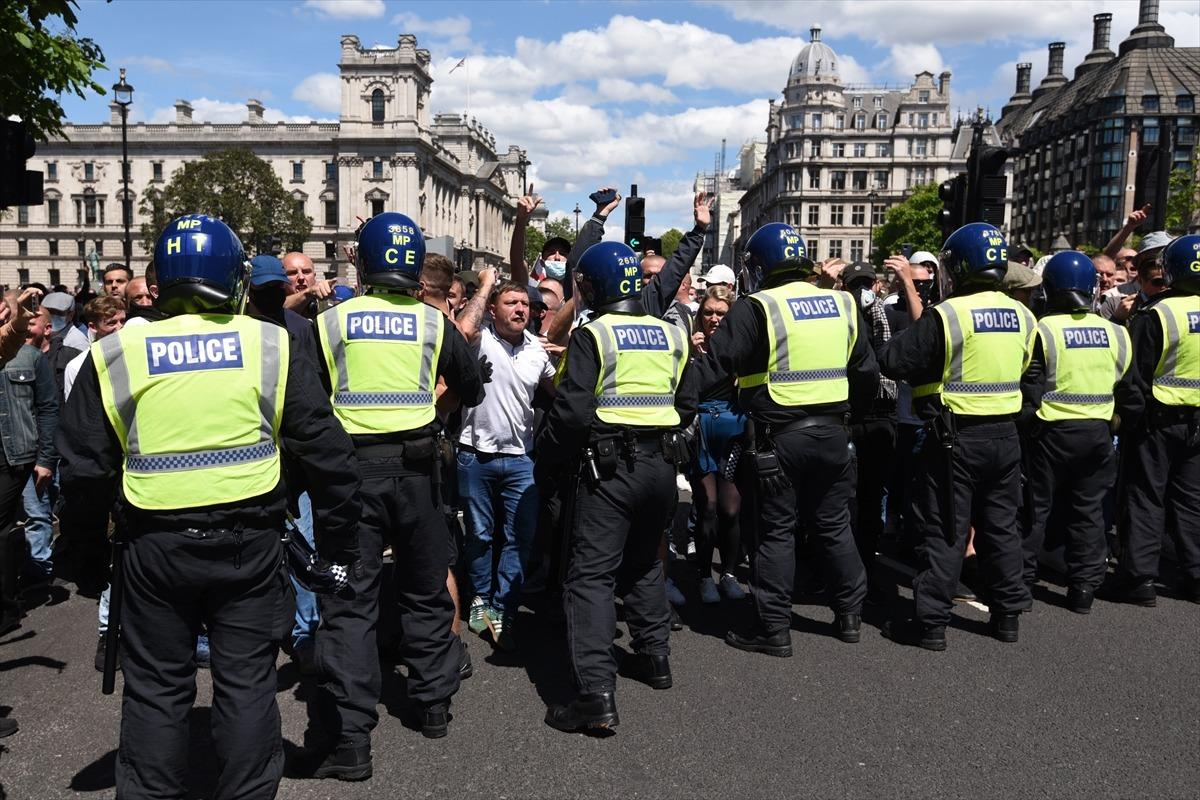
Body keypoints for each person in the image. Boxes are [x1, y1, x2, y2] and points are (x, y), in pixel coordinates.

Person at [55, 214, 362, 799]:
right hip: (250, 545)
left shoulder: (114, 352)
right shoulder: (270, 342)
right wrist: (340, 544)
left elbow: (85, 472)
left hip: (153, 547)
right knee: (247, 684)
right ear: (233, 278)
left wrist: (88, 560)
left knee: (154, 690)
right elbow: (329, 454)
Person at [301, 211, 484, 770]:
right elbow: (471, 386)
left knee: (350, 603)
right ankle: (434, 706)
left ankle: (351, 739)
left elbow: (308, 402)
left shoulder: (331, 322)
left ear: (362, 261)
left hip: (351, 478)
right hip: (420, 473)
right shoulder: (434, 324)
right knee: (425, 588)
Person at [537, 240, 696, 733]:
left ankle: (595, 695)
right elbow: (687, 402)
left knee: (590, 577)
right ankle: (654, 656)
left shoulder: (594, 334)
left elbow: (572, 412)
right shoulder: (671, 334)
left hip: (608, 470)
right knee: (644, 561)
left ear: (592, 286)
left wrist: (547, 454)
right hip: (661, 465)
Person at [702, 223, 876, 656]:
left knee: (775, 531)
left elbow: (717, 365)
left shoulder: (758, 305)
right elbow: (866, 372)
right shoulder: (842, 303)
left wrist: (674, 401)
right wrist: (850, 417)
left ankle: (773, 628)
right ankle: (849, 615)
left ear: (760, 267)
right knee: (833, 525)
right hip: (834, 433)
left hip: (777, 438)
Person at [880, 223, 1036, 650]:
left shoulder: (948, 313)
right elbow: (1029, 371)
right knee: (1001, 527)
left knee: (946, 528)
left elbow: (895, 360)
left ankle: (930, 624)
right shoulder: (1023, 315)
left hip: (954, 438)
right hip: (1005, 435)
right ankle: (1007, 616)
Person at [1019, 251, 1131, 612]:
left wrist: (1029, 426)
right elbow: (1127, 389)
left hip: (1051, 433)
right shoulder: (1117, 333)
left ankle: (1019, 585)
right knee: (1089, 512)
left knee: (1036, 511)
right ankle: (1083, 589)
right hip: (1098, 433)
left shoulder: (1043, 329)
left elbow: (1030, 386)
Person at [455, 273, 556, 650]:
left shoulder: (537, 351)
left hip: (521, 462)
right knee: (480, 536)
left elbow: (558, 392)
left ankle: (503, 609)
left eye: (525, 304)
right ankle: (480, 601)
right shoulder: (478, 339)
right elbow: (463, 328)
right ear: (493, 310)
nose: (520, 309)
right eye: (511, 303)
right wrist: (485, 287)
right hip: (475, 456)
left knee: (519, 538)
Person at [1108, 234, 1200, 605]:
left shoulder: (1157, 314)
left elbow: (1133, 377)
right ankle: (1196, 577)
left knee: (1145, 497)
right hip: (1197, 422)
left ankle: (1139, 580)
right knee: (1192, 501)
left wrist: (1130, 420)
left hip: (1157, 421)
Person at [840, 261, 897, 598]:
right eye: (854, 285)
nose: (861, 291)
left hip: (879, 414)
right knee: (841, 496)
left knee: (872, 497)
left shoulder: (883, 316)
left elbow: (889, 358)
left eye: (866, 283)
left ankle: (866, 566)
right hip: (848, 414)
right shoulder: (840, 316)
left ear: (876, 285)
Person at [688, 284, 745, 603]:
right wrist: (691, 356)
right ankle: (703, 576)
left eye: (721, 313)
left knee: (731, 508)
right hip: (701, 434)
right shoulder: (691, 346)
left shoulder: (740, 346)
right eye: (708, 312)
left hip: (733, 432)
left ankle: (729, 573)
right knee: (707, 506)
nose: (714, 319)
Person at [0, 288, 53, 636]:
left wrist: (45, 458)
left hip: (14, 456)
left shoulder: (30, 357)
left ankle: (7, 607)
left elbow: (48, 408)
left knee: (9, 526)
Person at [283, 251, 336, 317]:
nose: (301, 277)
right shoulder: (273, 307)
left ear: (314, 276)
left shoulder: (329, 309)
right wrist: (307, 293)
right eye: (293, 273)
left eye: (306, 272)